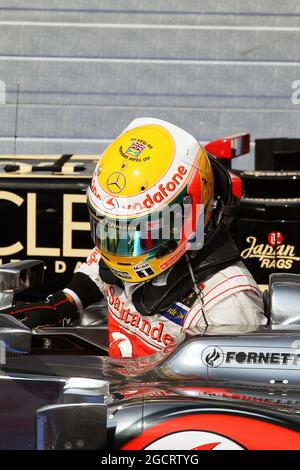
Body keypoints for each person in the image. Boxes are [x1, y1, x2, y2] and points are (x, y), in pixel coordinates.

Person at [2, 118, 265, 357]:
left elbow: (219, 403)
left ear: (187, 219)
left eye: (141, 232)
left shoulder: (227, 305)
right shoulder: (121, 247)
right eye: (112, 230)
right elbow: (99, 268)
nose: (122, 246)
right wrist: (64, 302)